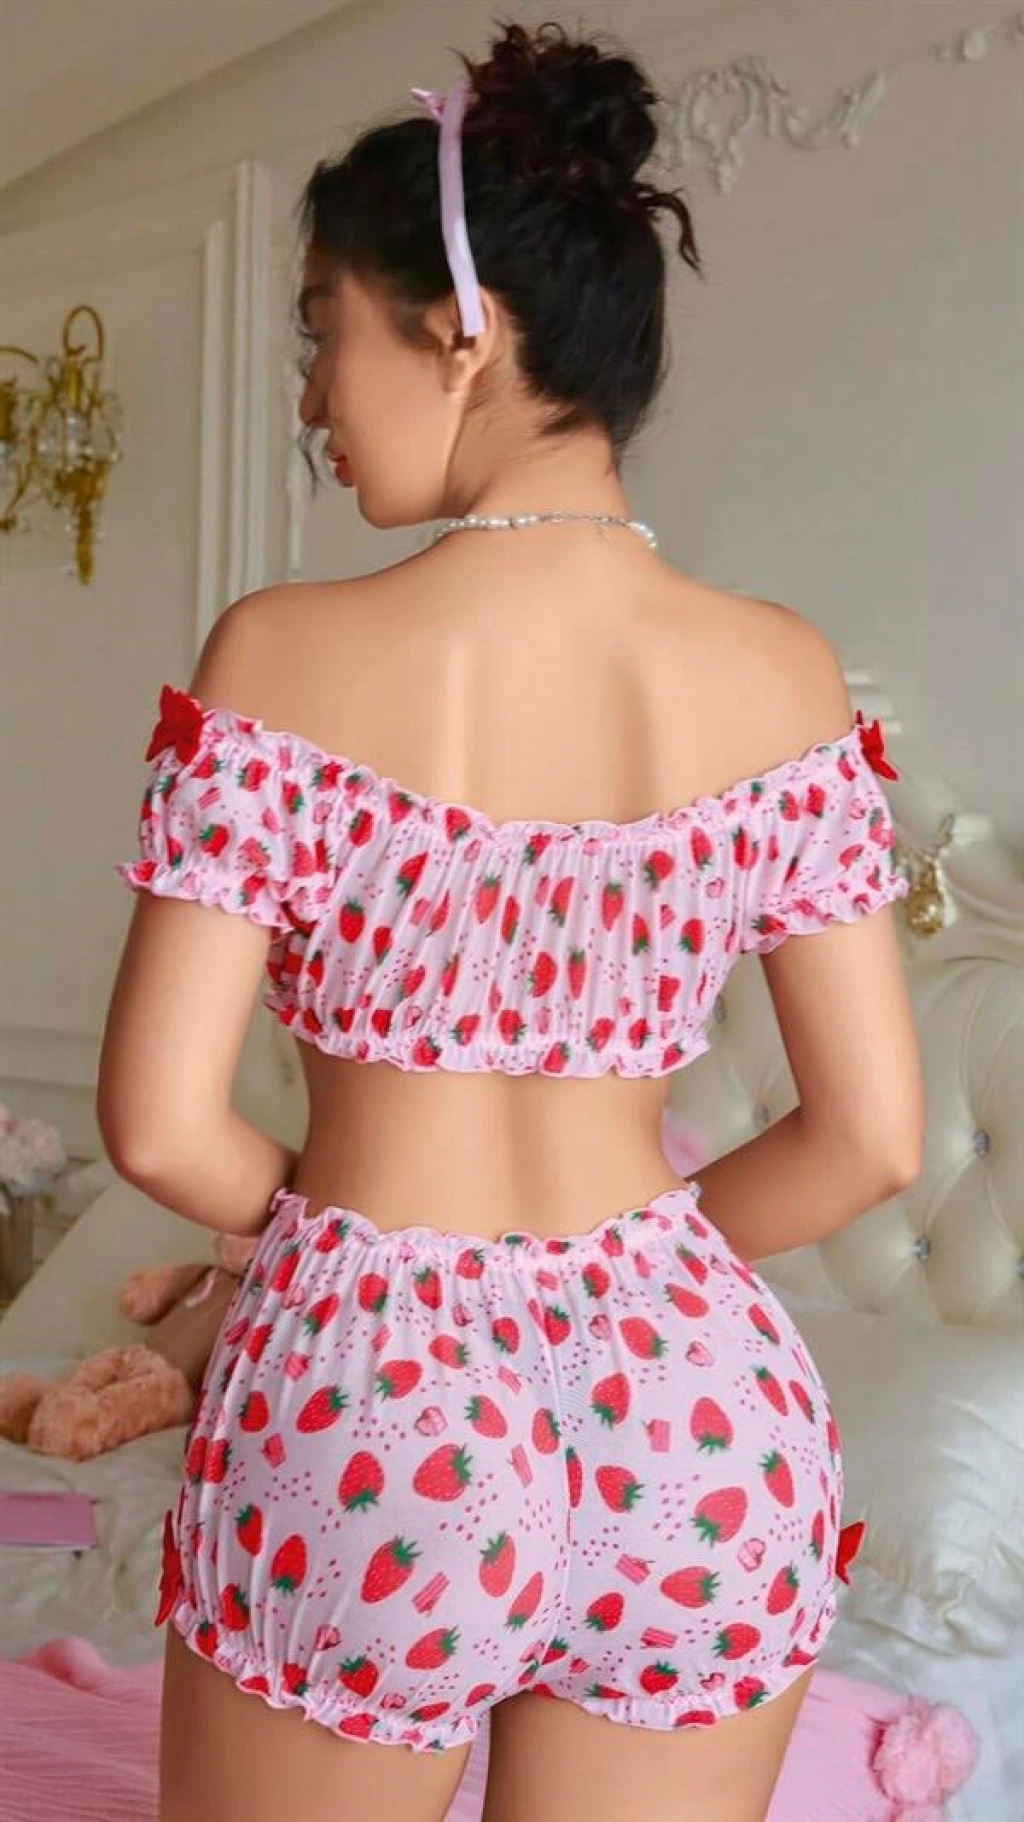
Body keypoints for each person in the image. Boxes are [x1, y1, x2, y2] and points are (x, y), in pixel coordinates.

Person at [96, 19, 923, 1822]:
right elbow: (871, 1139)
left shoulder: (281, 655)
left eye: (321, 328)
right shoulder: (784, 675)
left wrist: (353, 1254)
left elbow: (158, 1125)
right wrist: (615, 1269)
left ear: (460, 330)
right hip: (696, 1416)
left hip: (370, 1410)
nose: (308, 395)